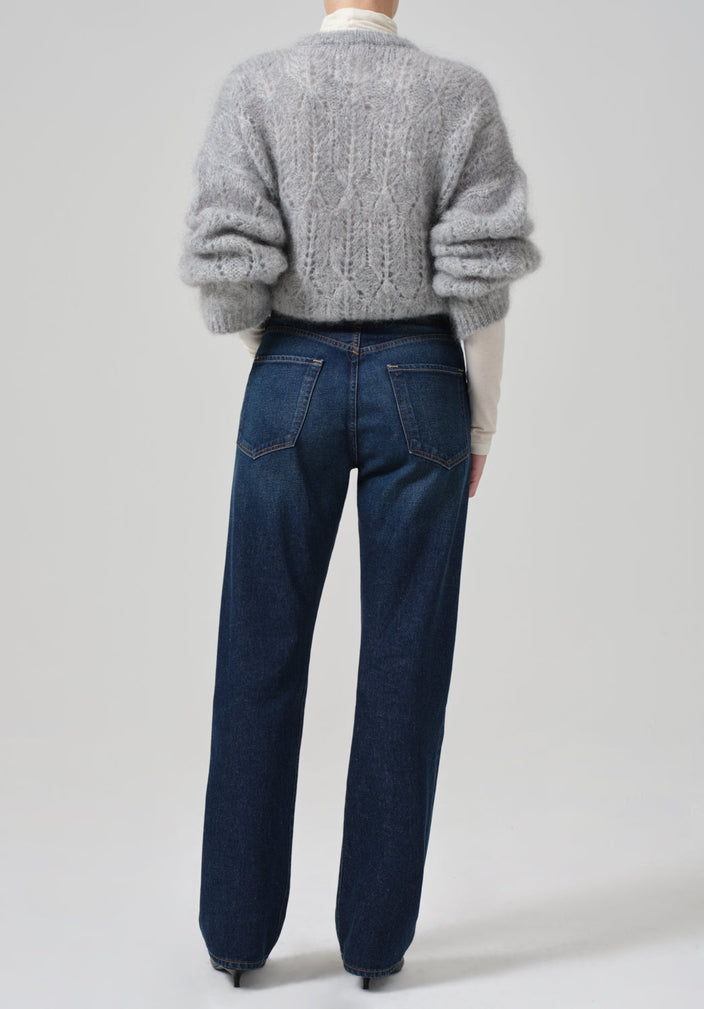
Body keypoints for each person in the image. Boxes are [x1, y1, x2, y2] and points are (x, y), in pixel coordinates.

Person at [178, 0, 541, 989]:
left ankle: (235, 934)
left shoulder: (257, 89)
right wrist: (481, 423)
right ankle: (376, 945)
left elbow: (231, 275)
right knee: (404, 661)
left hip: (287, 374)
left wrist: (286, 365)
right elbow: (480, 284)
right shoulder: (457, 96)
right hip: (421, 379)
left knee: (257, 650)